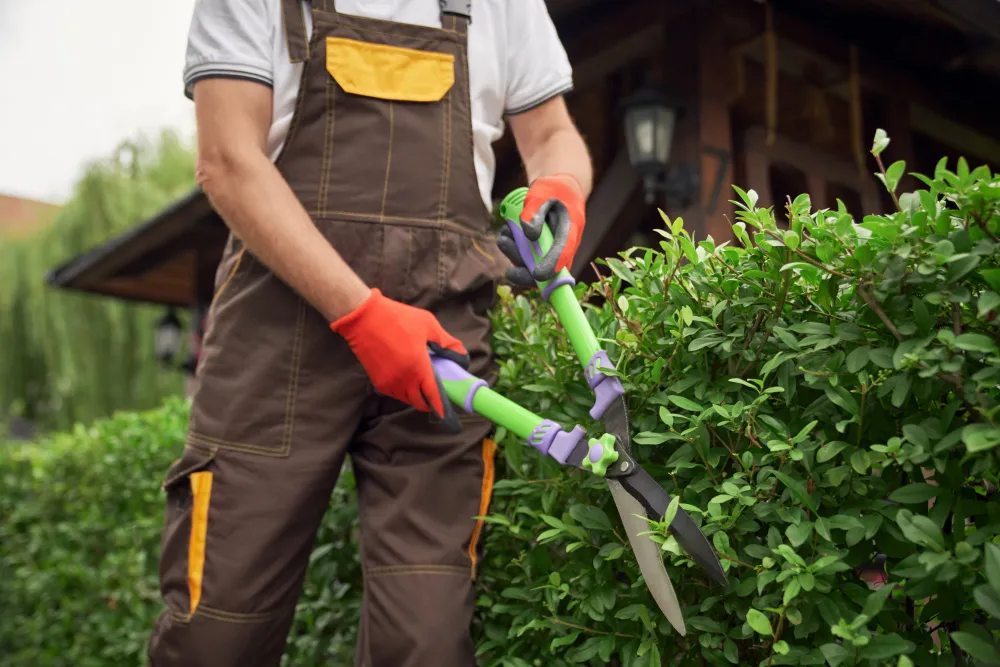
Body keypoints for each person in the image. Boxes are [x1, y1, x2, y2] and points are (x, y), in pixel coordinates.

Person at [147, 0, 593, 665]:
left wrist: (561, 185)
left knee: (427, 642)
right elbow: (227, 159)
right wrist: (361, 313)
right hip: (277, 335)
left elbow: (552, 131)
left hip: (441, 351)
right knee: (218, 634)